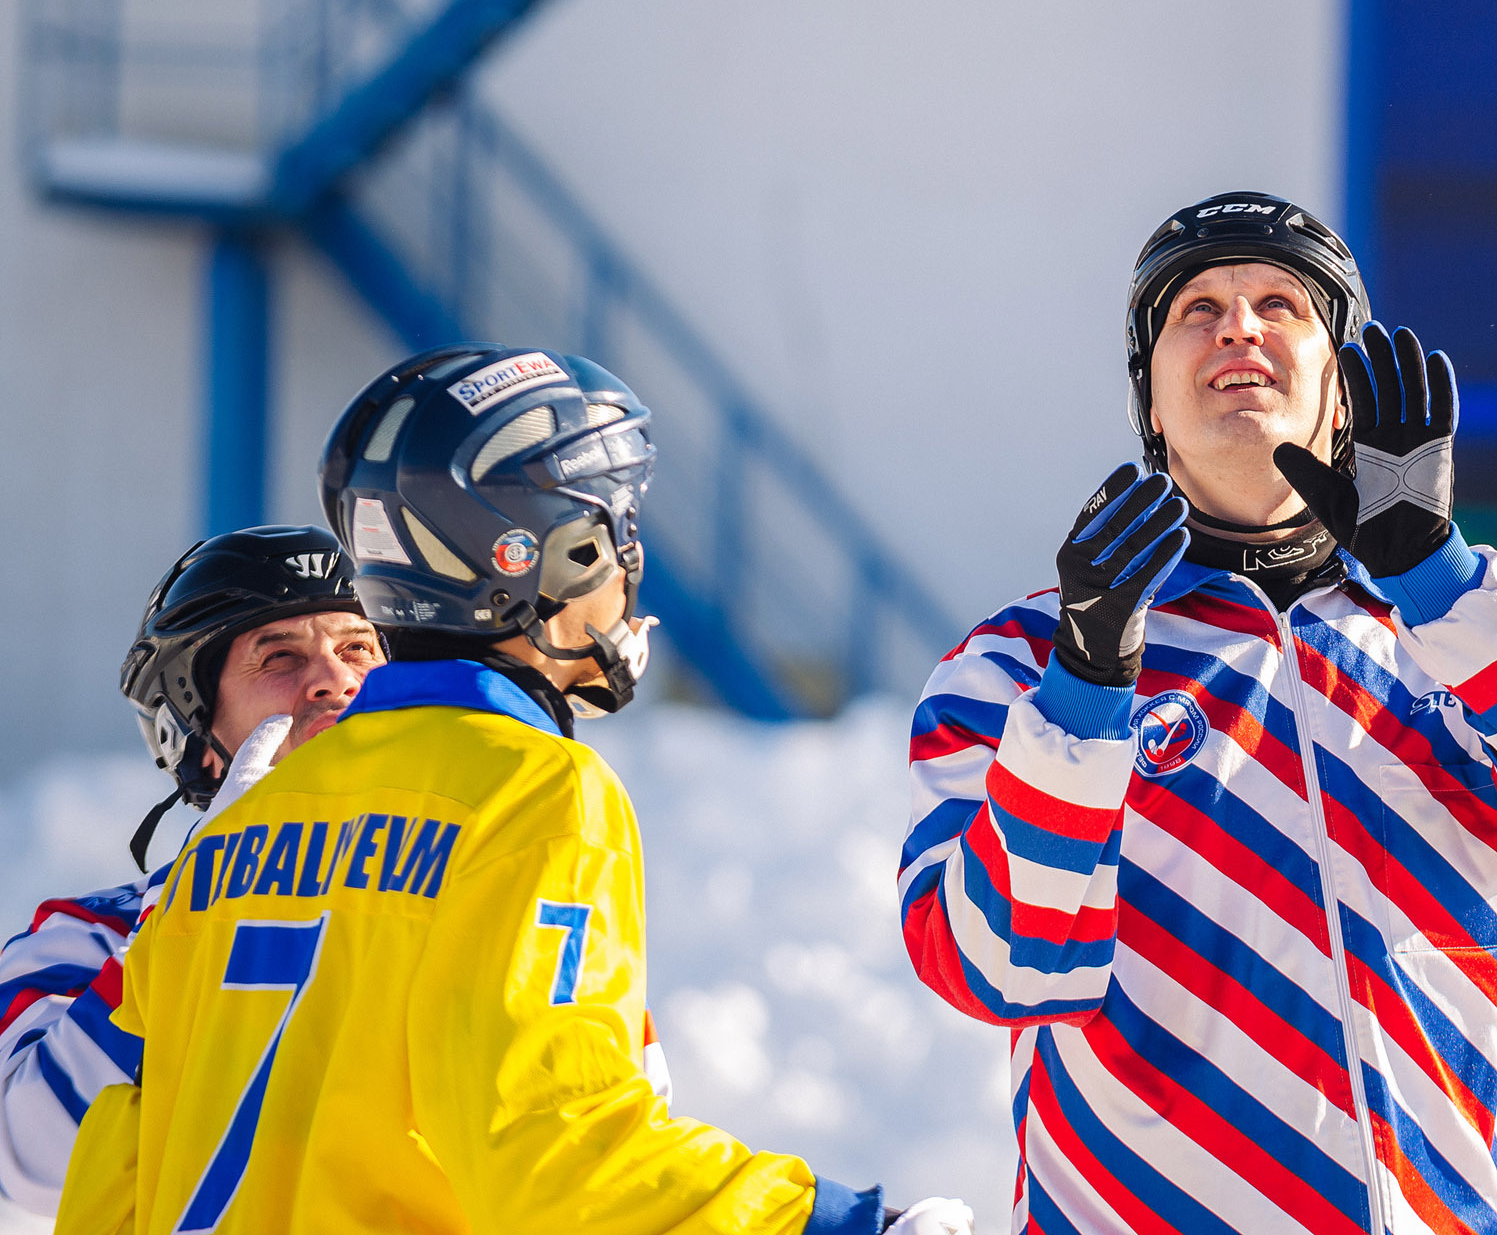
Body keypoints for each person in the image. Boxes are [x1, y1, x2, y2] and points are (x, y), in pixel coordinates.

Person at [899, 193, 1497, 1235]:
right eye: (1196, 308)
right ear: (1151, 398)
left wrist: (1435, 575)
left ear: (1340, 390)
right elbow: (995, 960)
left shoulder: (1470, 629)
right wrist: (1085, 690)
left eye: (1280, 303)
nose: (1239, 326)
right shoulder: (1014, 665)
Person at [57, 343, 973, 1235]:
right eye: (613, 533)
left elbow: (116, 1164)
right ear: (546, 560)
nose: (624, 565)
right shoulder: (532, 791)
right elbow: (554, 1147)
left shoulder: (229, 836)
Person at [0, 524, 382, 1216]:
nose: (335, 679)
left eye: (358, 647)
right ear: (200, 739)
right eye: (280, 658)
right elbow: (29, 1160)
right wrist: (202, 905)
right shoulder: (85, 937)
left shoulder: (482, 896)